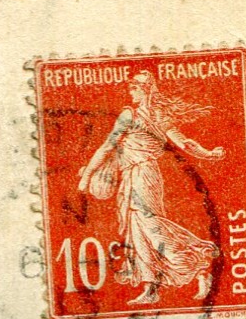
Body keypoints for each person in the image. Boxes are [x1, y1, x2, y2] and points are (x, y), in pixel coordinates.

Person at [75, 70, 225, 305]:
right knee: (138, 230)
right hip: (137, 175)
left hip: (142, 175)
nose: (130, 93)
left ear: (143, 90)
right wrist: (209, 154)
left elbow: (107, 146)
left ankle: (198, 262)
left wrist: (86, 178)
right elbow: (184, 143)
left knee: (149, 226)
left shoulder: (131, 114)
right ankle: (151, 287)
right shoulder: (157, 114)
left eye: (134, 89)